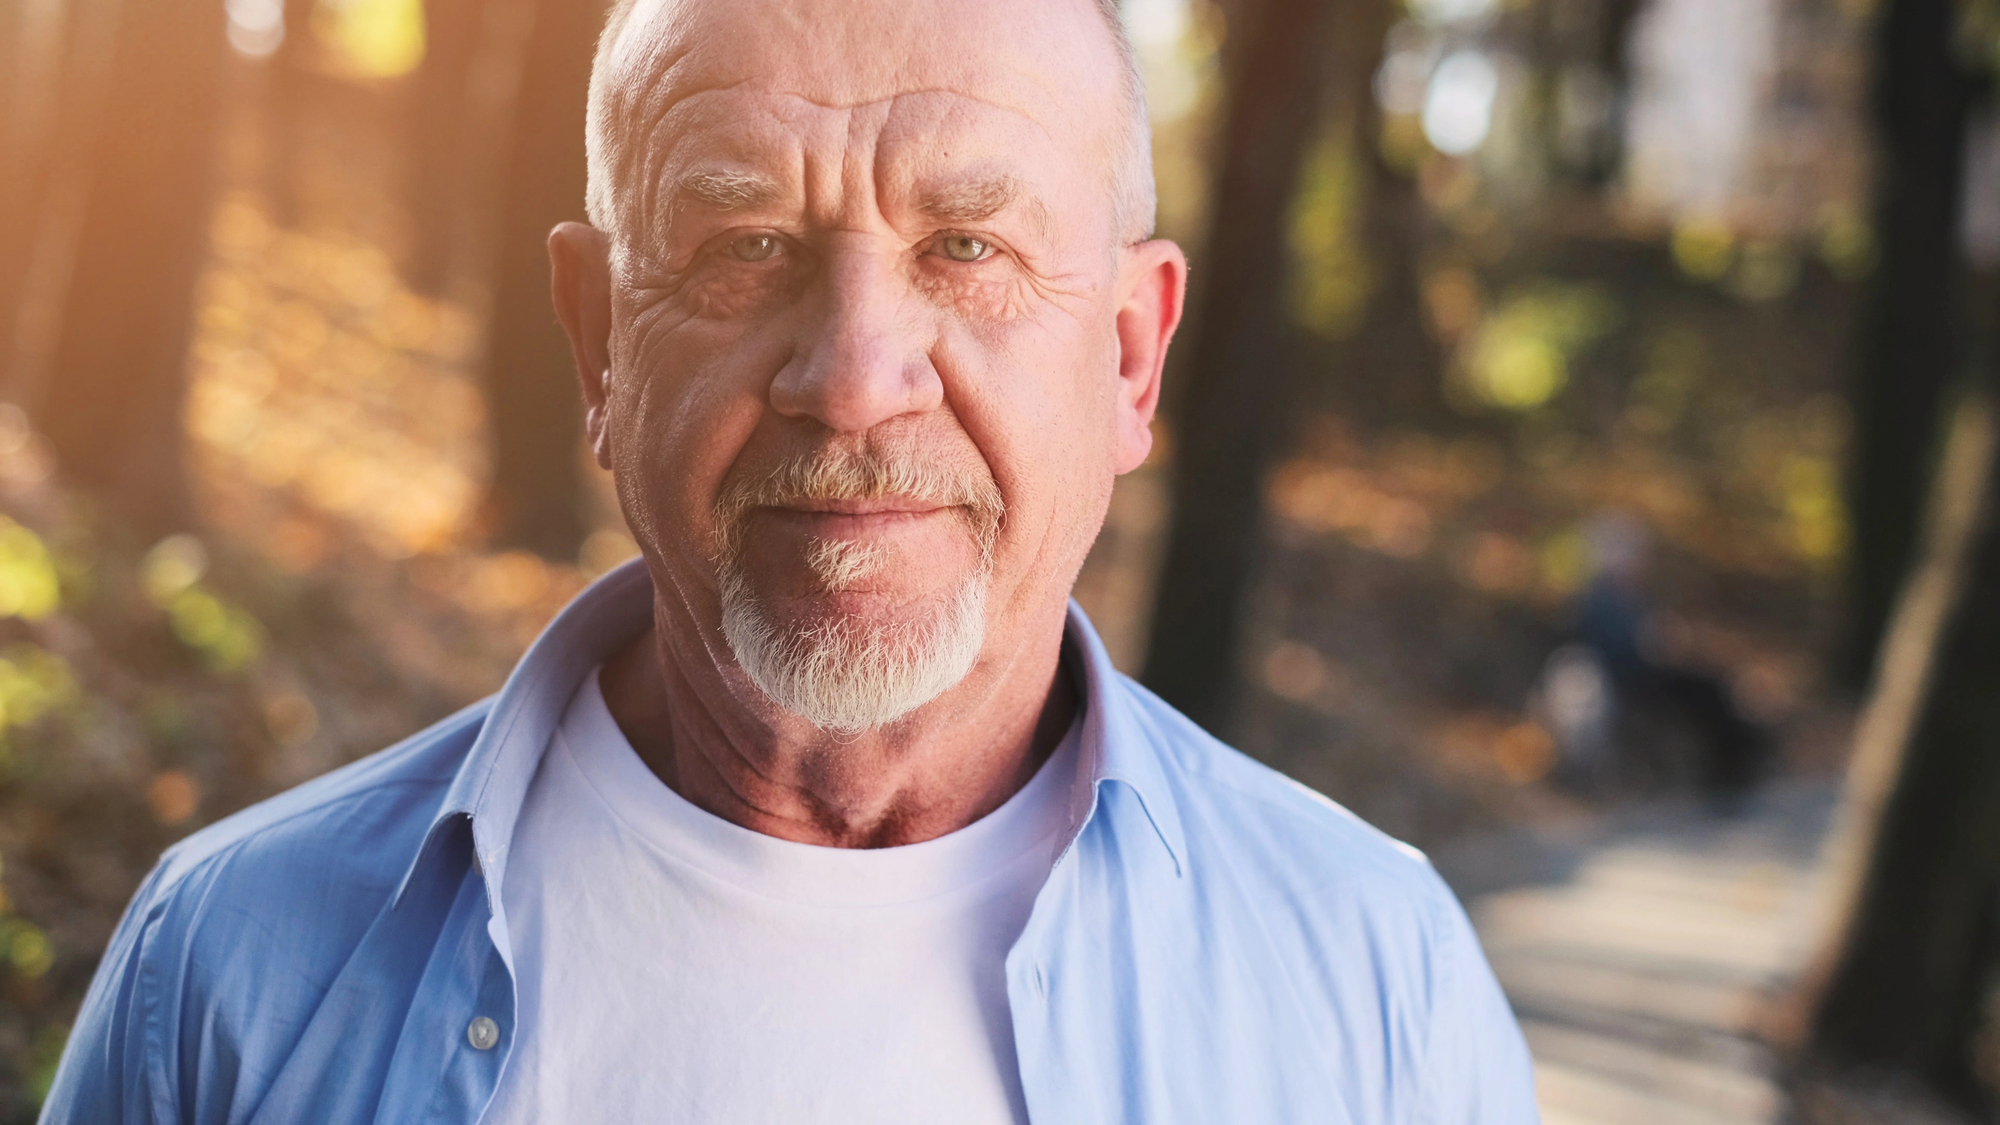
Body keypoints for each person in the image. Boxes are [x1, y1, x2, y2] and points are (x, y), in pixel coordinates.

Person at [42, 0, 1540, 1120]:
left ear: (1134, 357)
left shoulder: (1369, 985)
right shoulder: (227, 971)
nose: (854, 373)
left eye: (967, 248)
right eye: (744, 244)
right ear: (598, 342)